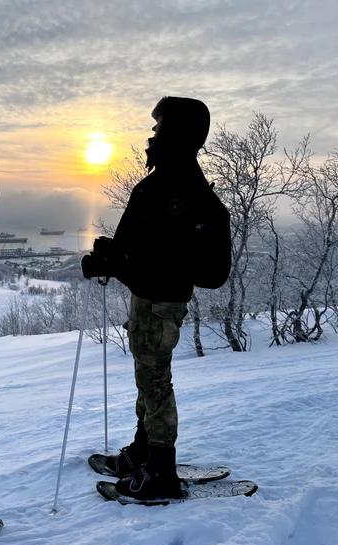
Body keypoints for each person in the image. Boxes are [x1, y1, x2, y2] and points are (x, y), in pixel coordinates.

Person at [81, 96, 231, 500]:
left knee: (155, 383)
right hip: (146, 298)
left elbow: (207, 270)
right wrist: (112, 258)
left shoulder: (185, 191)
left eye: (158, 126)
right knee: (148, 380)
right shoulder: (161, 183)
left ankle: (161, 471)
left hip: (161, 303)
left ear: (177, 134)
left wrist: (121, 262)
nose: (151, 135)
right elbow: (146, 250)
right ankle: (144, 452)